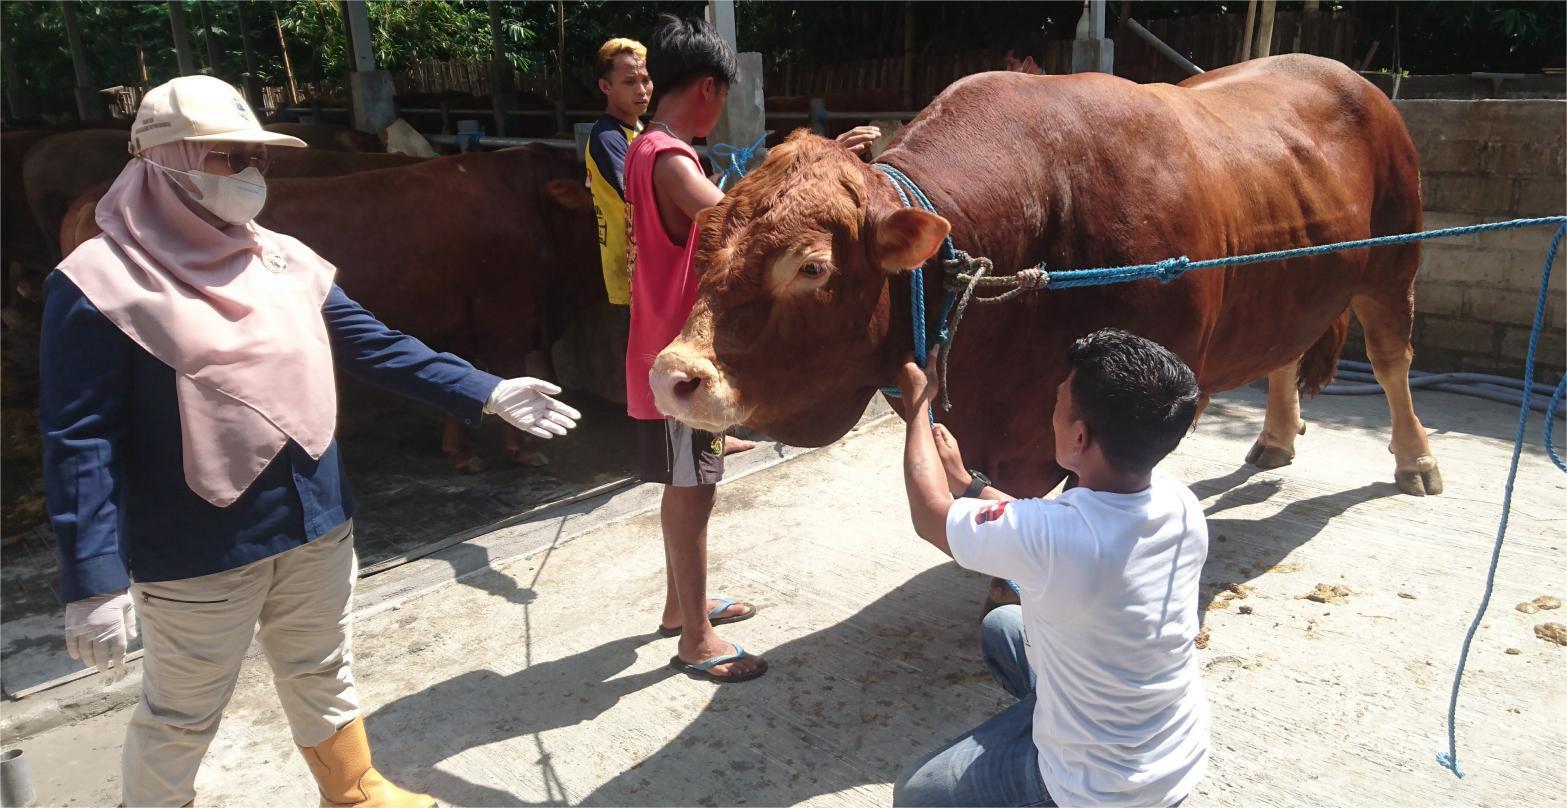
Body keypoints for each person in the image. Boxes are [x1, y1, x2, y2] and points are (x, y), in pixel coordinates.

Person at [41, 75, 581, 808]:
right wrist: (93, 576)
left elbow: (376, 345)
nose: (251, 173)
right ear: (166, 162)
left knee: (323, 667)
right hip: (198, 545)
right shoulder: (97, 284)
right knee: (182, 710)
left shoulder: (282, 259)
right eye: (230, 157)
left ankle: (354, 790)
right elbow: (80, 438)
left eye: (257, 158)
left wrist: (485, 390)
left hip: (315, 517)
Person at [892, 330, 1210, 807]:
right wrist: (967, 483)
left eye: (1060, 402)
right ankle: (1054, 711)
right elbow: (1044, 529)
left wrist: (917, 407)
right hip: (1176, 745)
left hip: (1100, 786)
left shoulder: (1061, 539)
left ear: (1079, 436)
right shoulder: (1177, 500)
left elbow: (929, 514)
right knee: (1004, 626)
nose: (1053, 409)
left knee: (917, 794)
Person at [585, 37, 651, 309]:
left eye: (645, 80)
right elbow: (639, 196)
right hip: (629, 272)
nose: (641, 90)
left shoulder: (638, 129)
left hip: (645, 264)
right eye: (630, 82)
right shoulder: (608, 138)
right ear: (606, 87)